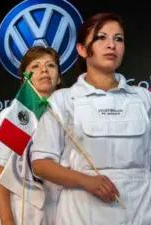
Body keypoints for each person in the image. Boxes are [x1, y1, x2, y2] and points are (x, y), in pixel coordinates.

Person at [30, 13, 151, 224]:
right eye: (101, 38)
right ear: (82, 49)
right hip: (82, 213)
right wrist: (85, 181)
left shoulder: (143, 99)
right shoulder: (63, 100)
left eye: (118, 39)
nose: (111, 45)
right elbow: (40, 163)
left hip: (140, 212)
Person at [0, 46, 62, 225]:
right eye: (35, 66)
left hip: (62, 212)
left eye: (50, 65)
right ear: (24, 79)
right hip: (22, 214)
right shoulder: (15, 117)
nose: (44, 70)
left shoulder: (68, 116)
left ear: (59, 78)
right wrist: (7, 220)